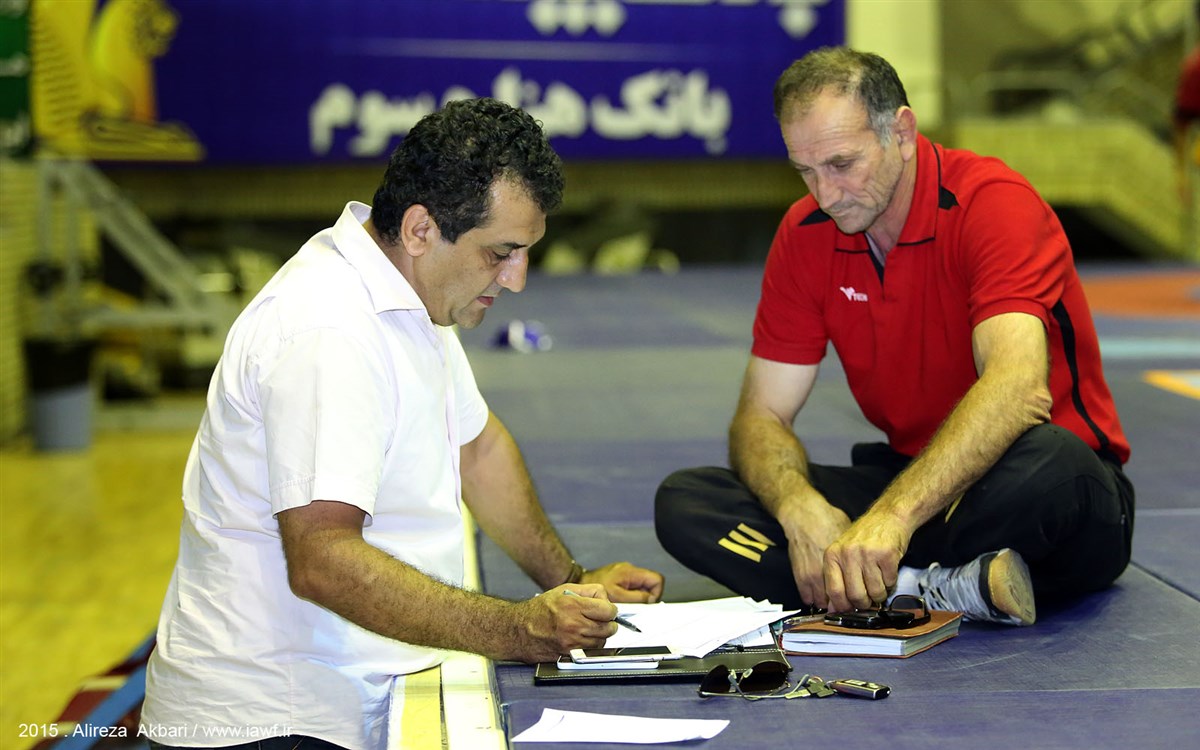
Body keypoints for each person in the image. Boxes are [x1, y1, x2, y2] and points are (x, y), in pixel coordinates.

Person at [143, 98, 664, 750]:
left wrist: (571, 583)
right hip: (268, 721)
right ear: (420, 229)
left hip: (351, 692)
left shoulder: (414, 293)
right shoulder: (327, 327)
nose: (517, 279)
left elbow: (478, 450)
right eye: (501, 252)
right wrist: (516, 630)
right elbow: (322, 560)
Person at [655, 47, 1134, 627]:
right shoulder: (806, 233)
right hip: (911, 479)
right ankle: (932, 586)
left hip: (1030, 485)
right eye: (805, 171)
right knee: (688, 501)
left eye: (841, 164)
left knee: (1055, 467)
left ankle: (873, 580)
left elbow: (1018, 387)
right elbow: (762, 415)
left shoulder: (993, 203)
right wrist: (798, 509)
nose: (825, 195)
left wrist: (893, 519)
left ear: (902, 133)